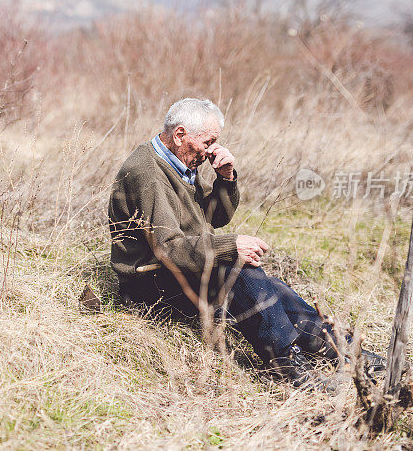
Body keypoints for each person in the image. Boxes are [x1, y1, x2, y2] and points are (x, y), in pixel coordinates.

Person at [108, 98, 383, 388]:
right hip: (150, 288)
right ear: (179, 135)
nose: (210, 151)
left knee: (272, 288)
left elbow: (214, 218)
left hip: (182, 273)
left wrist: (225, 179)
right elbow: (168, 248)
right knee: (238, 271)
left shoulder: (180, 163)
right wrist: (230, 247)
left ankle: (346, 350)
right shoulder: (147, 172)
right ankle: (286, 364)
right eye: (207, 142)